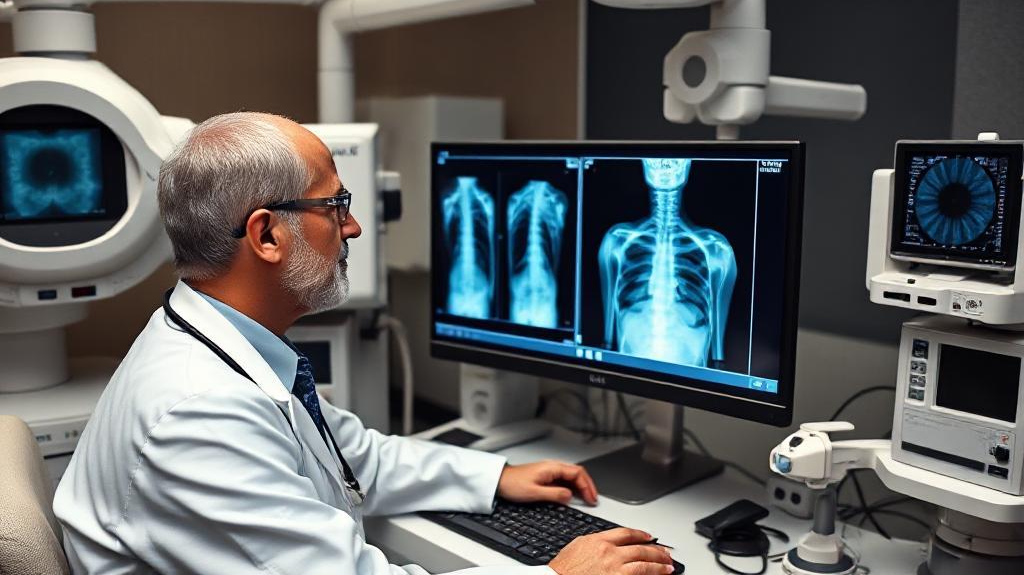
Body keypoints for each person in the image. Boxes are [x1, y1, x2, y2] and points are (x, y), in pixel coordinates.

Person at [53, 112, 675, 575]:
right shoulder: (198, 409)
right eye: (335, 204)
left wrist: (496, 476)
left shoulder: (225, 348)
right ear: (266, 235)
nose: (352, 225)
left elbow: (355, 459)